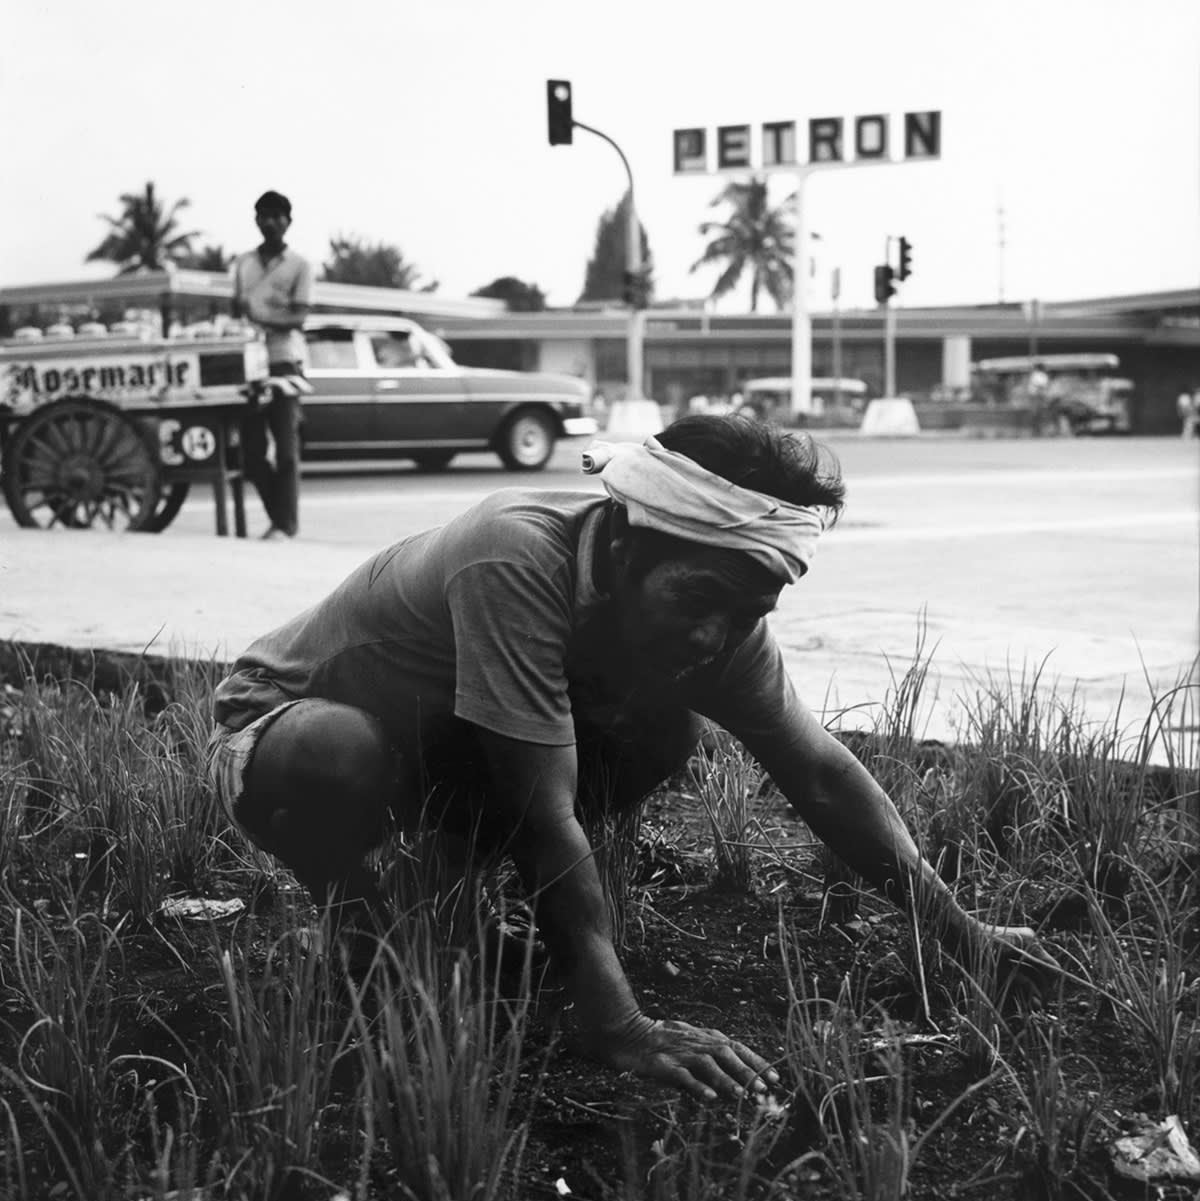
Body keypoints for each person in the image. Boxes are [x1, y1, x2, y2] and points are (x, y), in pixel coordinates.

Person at [207, 415, 1055, 1101]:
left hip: (439, 737)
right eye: (697, 599)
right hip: (281, 723)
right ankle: (366, 921)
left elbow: (820, 771)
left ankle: (443, 898)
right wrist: (619, 1022)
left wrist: (958, 928)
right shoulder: (515, 554)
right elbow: (544, 809)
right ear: (621, 540)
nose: (711, 635)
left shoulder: (721, 616)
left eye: (745, 611)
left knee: (662, 733)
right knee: (349, 753)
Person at [231, 190, 313, 539]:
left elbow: (298, 316)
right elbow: (235, 310)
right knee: (250, 452)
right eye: (264, 215)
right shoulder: (242, 263)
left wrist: (261, 315)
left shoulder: (301, 265)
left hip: (284, 361)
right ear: (256, 220)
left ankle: (285, 524)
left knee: (285, 448)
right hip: (248, 363)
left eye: (277, 216)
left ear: (288, 222)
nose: (270, 222)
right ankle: (279, 517)